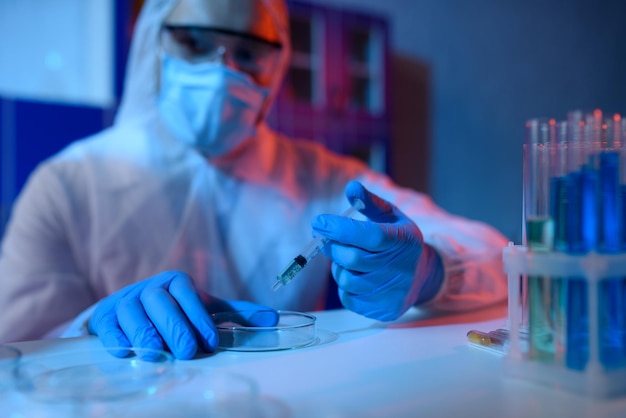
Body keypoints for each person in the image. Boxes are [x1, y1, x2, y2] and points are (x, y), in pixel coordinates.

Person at [0, 0, 508, 359]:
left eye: (247, 53)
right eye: (196, 43)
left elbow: (497, 254)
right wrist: (92, 326)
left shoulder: (324, 175)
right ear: (156, 43)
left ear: (279, 60)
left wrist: (431, 269)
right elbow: (14, 353)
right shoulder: (67, 184)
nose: (223, 70)